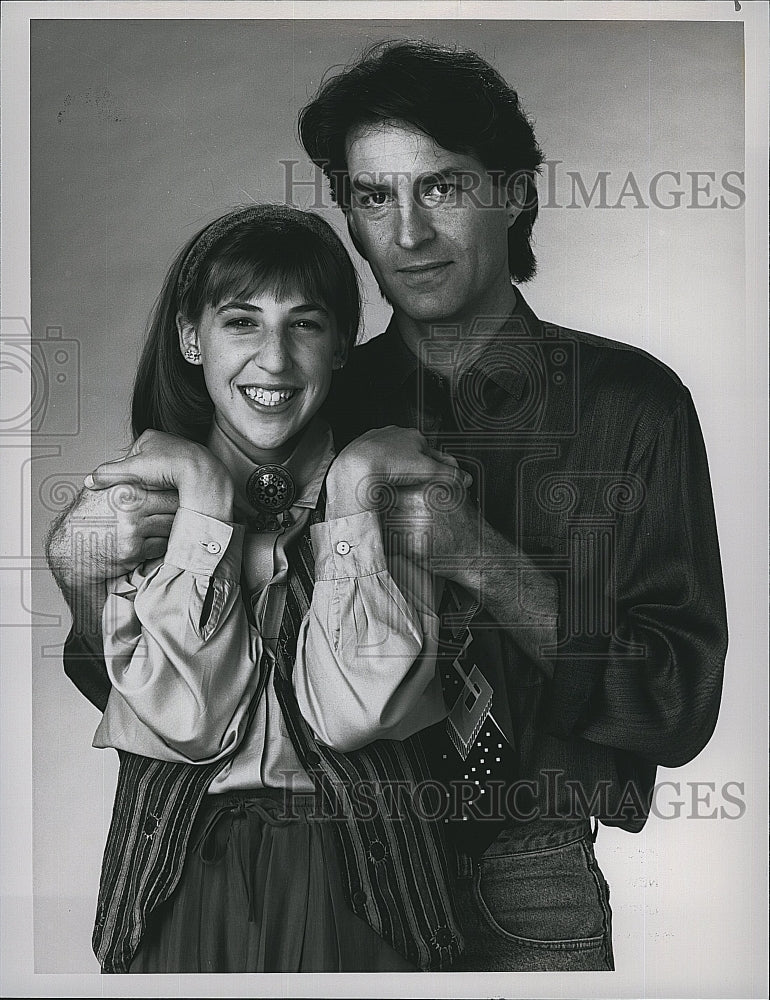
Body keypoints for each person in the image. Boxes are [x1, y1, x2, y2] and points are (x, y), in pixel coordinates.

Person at [47, 40, 728, 973]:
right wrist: (80, 573)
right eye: (374, 197)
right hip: (331, 869)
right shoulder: (303, 396)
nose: (406, 234)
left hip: (527, 869)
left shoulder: (631, 408)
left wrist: (478, 556)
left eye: (442, 188)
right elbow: (154, 689)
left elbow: (674, 703)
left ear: (516, 193)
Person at [50, 203, 471, 973]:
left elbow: (356, 715)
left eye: (305, 325)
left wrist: (350, 498)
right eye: (241, 322)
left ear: (342, 344)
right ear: (191, 339)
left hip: (366, 891)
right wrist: (206, 503)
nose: (273, 361)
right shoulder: (131, 505)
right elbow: (189, 723)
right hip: (180, 890)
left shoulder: (395, 498)